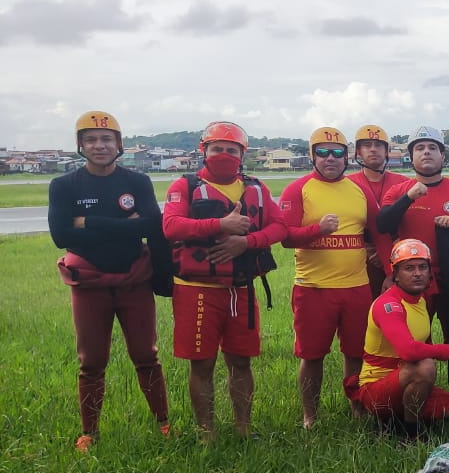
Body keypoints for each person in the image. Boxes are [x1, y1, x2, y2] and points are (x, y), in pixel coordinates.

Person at [48, 110, 170, 452]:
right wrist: (126, 223)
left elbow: (152, 227)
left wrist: (87, 222)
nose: (99, 146)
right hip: (89, 282)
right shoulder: (63, 185)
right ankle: (90, 432)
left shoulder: (137, 182)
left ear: (119, 144)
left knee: (146, 354)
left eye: (106, 139)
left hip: (135, 280)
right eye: (91, 139)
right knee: (91, 361)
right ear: (80, 145)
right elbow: (60, 235)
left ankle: (163, 422)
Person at [163, 121, 286, 442]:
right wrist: (221, 225)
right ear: (203, 151)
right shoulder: (183, 186)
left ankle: (244, 429)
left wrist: (248, 242)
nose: (224, 155)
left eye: (232, 150)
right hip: (196, 290)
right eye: (217, 149)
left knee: (241, 361)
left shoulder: (257, 187)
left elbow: (279, 228)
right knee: (201, 364)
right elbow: (172, 227)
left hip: (241, 288)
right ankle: (207, 433)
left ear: (242, 154)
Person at [279, 127, 380, 429]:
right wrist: (317, 230)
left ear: (347, 157)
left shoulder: (359, 190)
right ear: (312, 156)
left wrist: (388, 268)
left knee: (356, 353)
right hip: (314, 289)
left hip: (356, 287)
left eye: (337, 153)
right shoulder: (298, 189)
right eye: (322, 152)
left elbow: (378, 230)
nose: (330, 159)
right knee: (312, 356)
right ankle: (310, 415)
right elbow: (284, 236)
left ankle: (357, 408)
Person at [376, 126, 449, 401]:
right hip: (412, 281)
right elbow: (383, 223)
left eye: (433, 148)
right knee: (416, 338)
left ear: (443, 155)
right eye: (420, 148)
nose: (427, 153)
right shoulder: (399, 190)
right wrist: (409, 198)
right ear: (411, 157)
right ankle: (417, 393)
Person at [345, 238, 449, 431]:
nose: (417, 273)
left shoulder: (421, 301)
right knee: (425, 366)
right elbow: (408, 351)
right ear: (395, 274)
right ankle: (410, 434)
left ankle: (398, 417)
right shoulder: (388, 305)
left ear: (429, 273)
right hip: (376, 388)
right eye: (409, 268)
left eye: (422, 267)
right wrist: (445, 351)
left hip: (408, 381)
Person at [347, 124, 409, 296]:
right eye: (367, 145)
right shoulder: (347, 184)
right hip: (360, 256)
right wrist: (368, 249)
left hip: (398, 253)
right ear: (358, 151)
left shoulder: (403, 183)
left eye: (378, 145)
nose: (373, 149)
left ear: (387, 150)